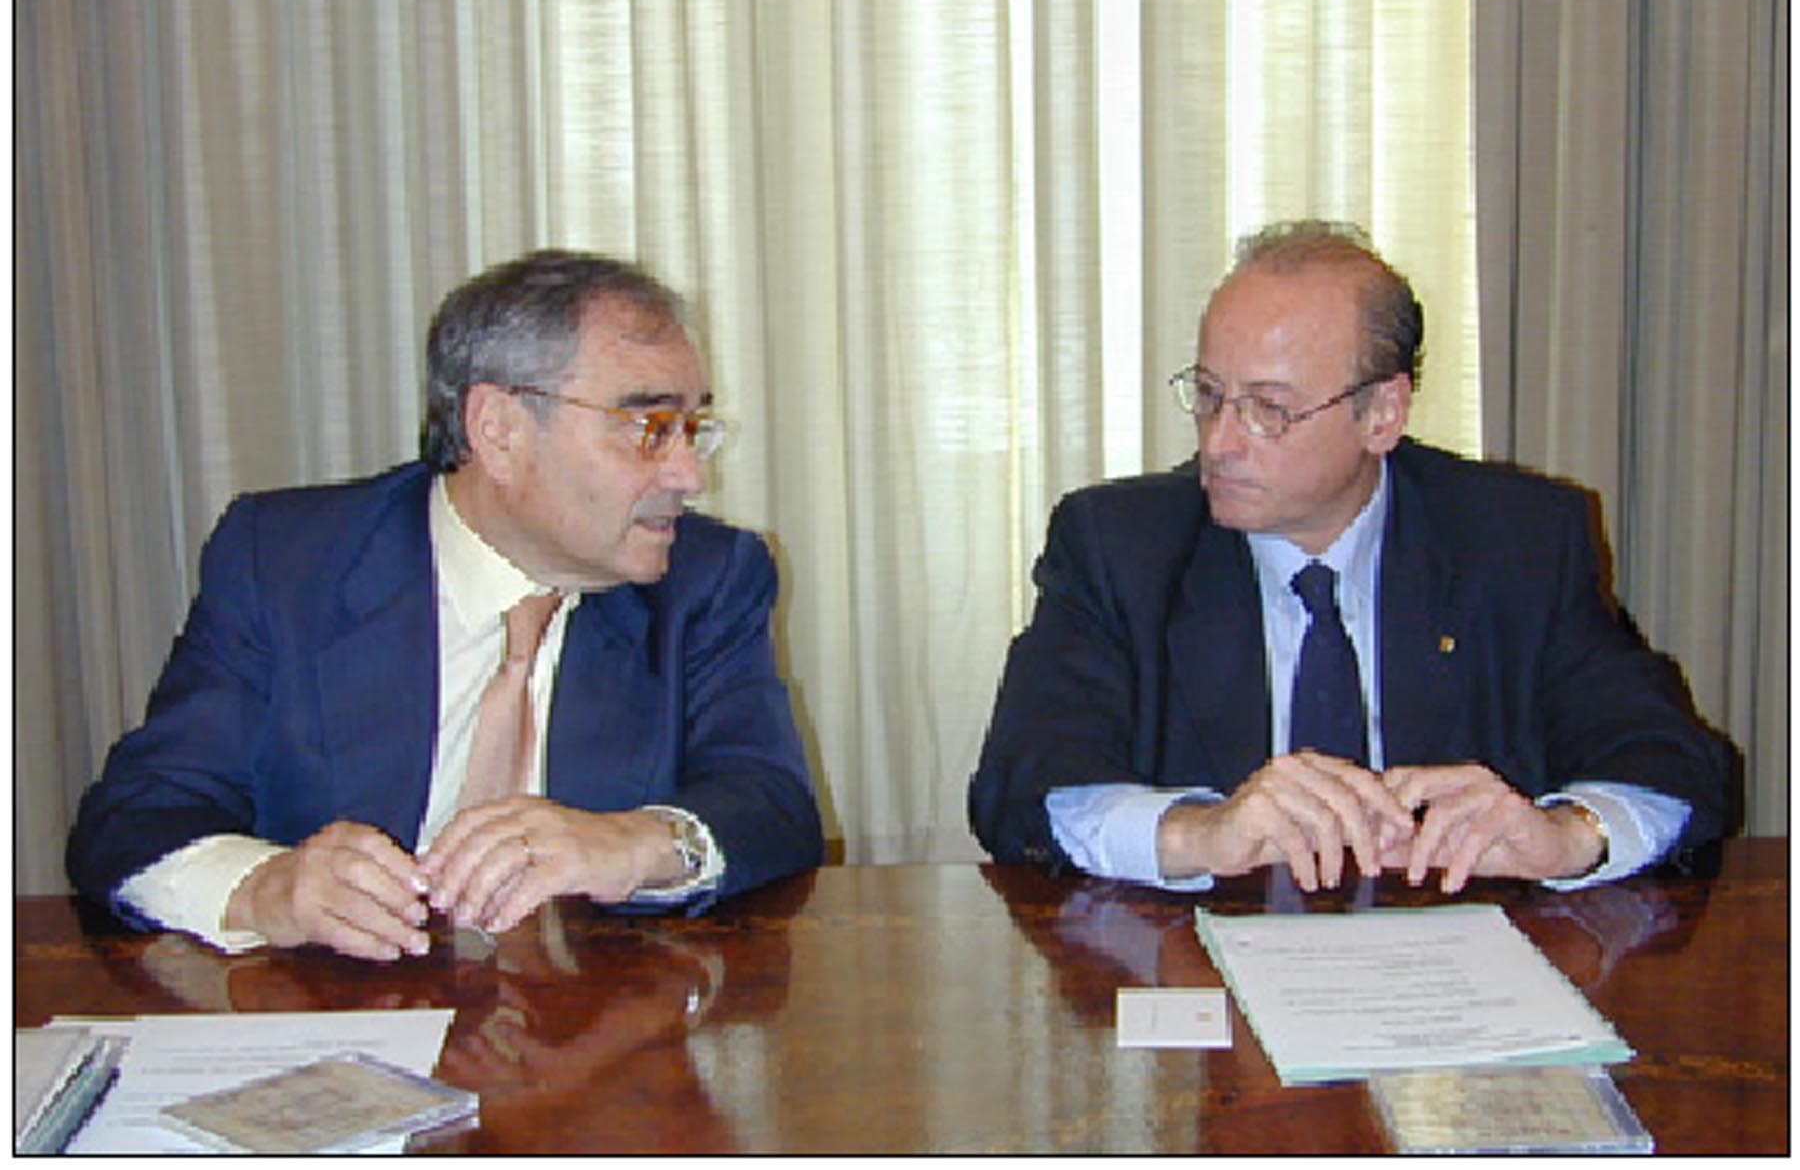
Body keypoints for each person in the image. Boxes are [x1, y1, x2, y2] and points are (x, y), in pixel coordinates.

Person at [68, 250, 824, 961]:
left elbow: (773, 805)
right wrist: (263, 886)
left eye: (694, 427)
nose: (690, 473)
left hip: (588, 1047)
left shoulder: (709, 576)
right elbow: (133, 818)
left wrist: (637, 843)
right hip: (335, 1033)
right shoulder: (287, 563)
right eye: (650, 427)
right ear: (497, 429)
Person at [968, 221, 1730, 896]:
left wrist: (1568, 835)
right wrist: (1197, 832)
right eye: (1207, 394)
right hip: (1198, 990)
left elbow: (1678, 764)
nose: (1219, 442)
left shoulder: (1517, 539)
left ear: (1382, 414)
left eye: (1268, 408)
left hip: (1451, 1000)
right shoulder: (1118, 545)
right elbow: (1020, 788)